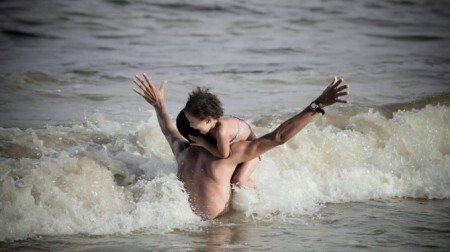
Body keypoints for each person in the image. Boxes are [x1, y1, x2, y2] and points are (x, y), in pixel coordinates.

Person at [133, 73, 349, 219]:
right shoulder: (224, 158)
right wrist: (317, 105)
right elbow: (278, 137)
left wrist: (159, 104)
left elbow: (168, 129)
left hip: (208, 233)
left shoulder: (181, 151)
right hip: (217, 229)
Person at [182, 87, 259, 189]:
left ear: (208, 120)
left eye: (192, 122)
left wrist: (205, 143)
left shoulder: (221, 130)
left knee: (238, 181)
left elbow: (224, 155)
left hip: (253, 152)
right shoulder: (212, 126)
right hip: (241, 151)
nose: (191, 126)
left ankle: (257, 192)